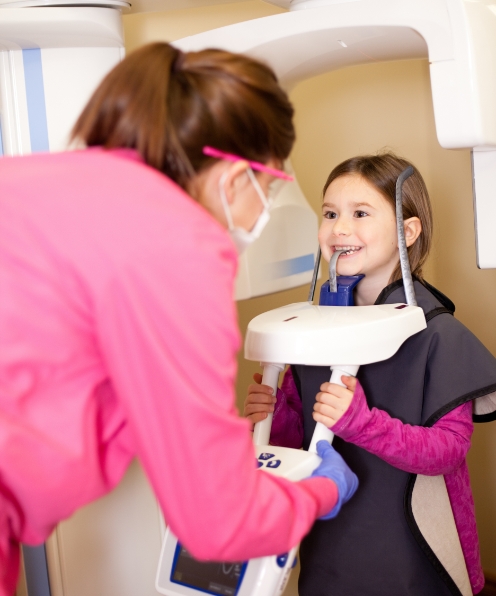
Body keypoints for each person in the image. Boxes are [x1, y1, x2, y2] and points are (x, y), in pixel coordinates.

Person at [0, 43, 358, 595]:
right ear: (237, 176)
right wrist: (319, 493)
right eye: (273, 187)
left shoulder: (37, 179)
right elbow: (220, 522)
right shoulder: (178, 245)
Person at [244, 152, 496, 596]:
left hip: (415, 552)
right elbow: (299, 444)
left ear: (408, 231)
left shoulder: (438, 335)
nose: (340, 228)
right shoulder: (310, 333)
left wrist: (362, 423)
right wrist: (276, 412)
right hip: (335, 546)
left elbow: (448, 451)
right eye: (330, 213)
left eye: (360, 213)